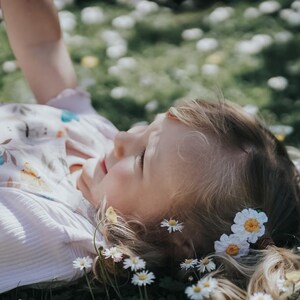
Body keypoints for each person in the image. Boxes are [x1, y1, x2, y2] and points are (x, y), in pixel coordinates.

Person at [1, 1, 300, 298]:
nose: (121, 138)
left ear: (175, 235)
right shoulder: (98, 139)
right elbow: (42, 47)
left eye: (143, 159)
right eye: (146, 129)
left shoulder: (58, 233)